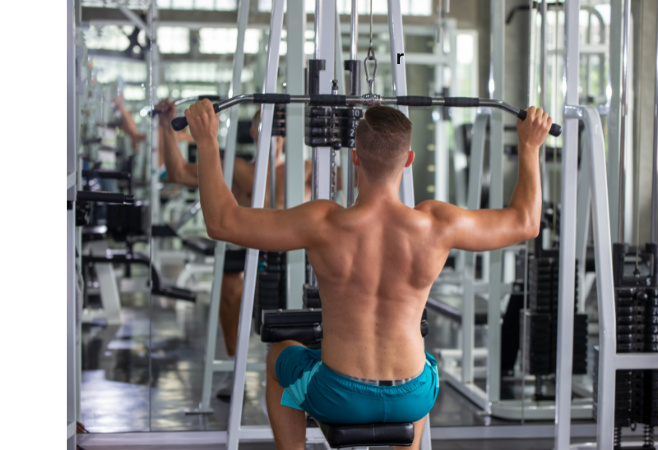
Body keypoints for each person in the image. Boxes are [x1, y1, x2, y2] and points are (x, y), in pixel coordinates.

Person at [185, 99, 550, 450]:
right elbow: (526, 222)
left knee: (279, 355)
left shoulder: (323, 222)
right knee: (423, 365)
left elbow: (222, 222)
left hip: (340, 396)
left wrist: (206, 140)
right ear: (408, 160)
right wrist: (529, 146)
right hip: (413, 396)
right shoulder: (437, 224)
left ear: (355, 158)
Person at [156, 98, 312, 399]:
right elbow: (178, 173)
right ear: (253, 133)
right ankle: (233, 366)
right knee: (229, 288)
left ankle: (303, 372)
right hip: (246, 247)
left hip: (291, 253)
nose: (274, 134)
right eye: (266, 127)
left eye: (279, 129)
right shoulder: (238, 169)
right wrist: (165, 126)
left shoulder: (306, 170)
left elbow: (360, 176)